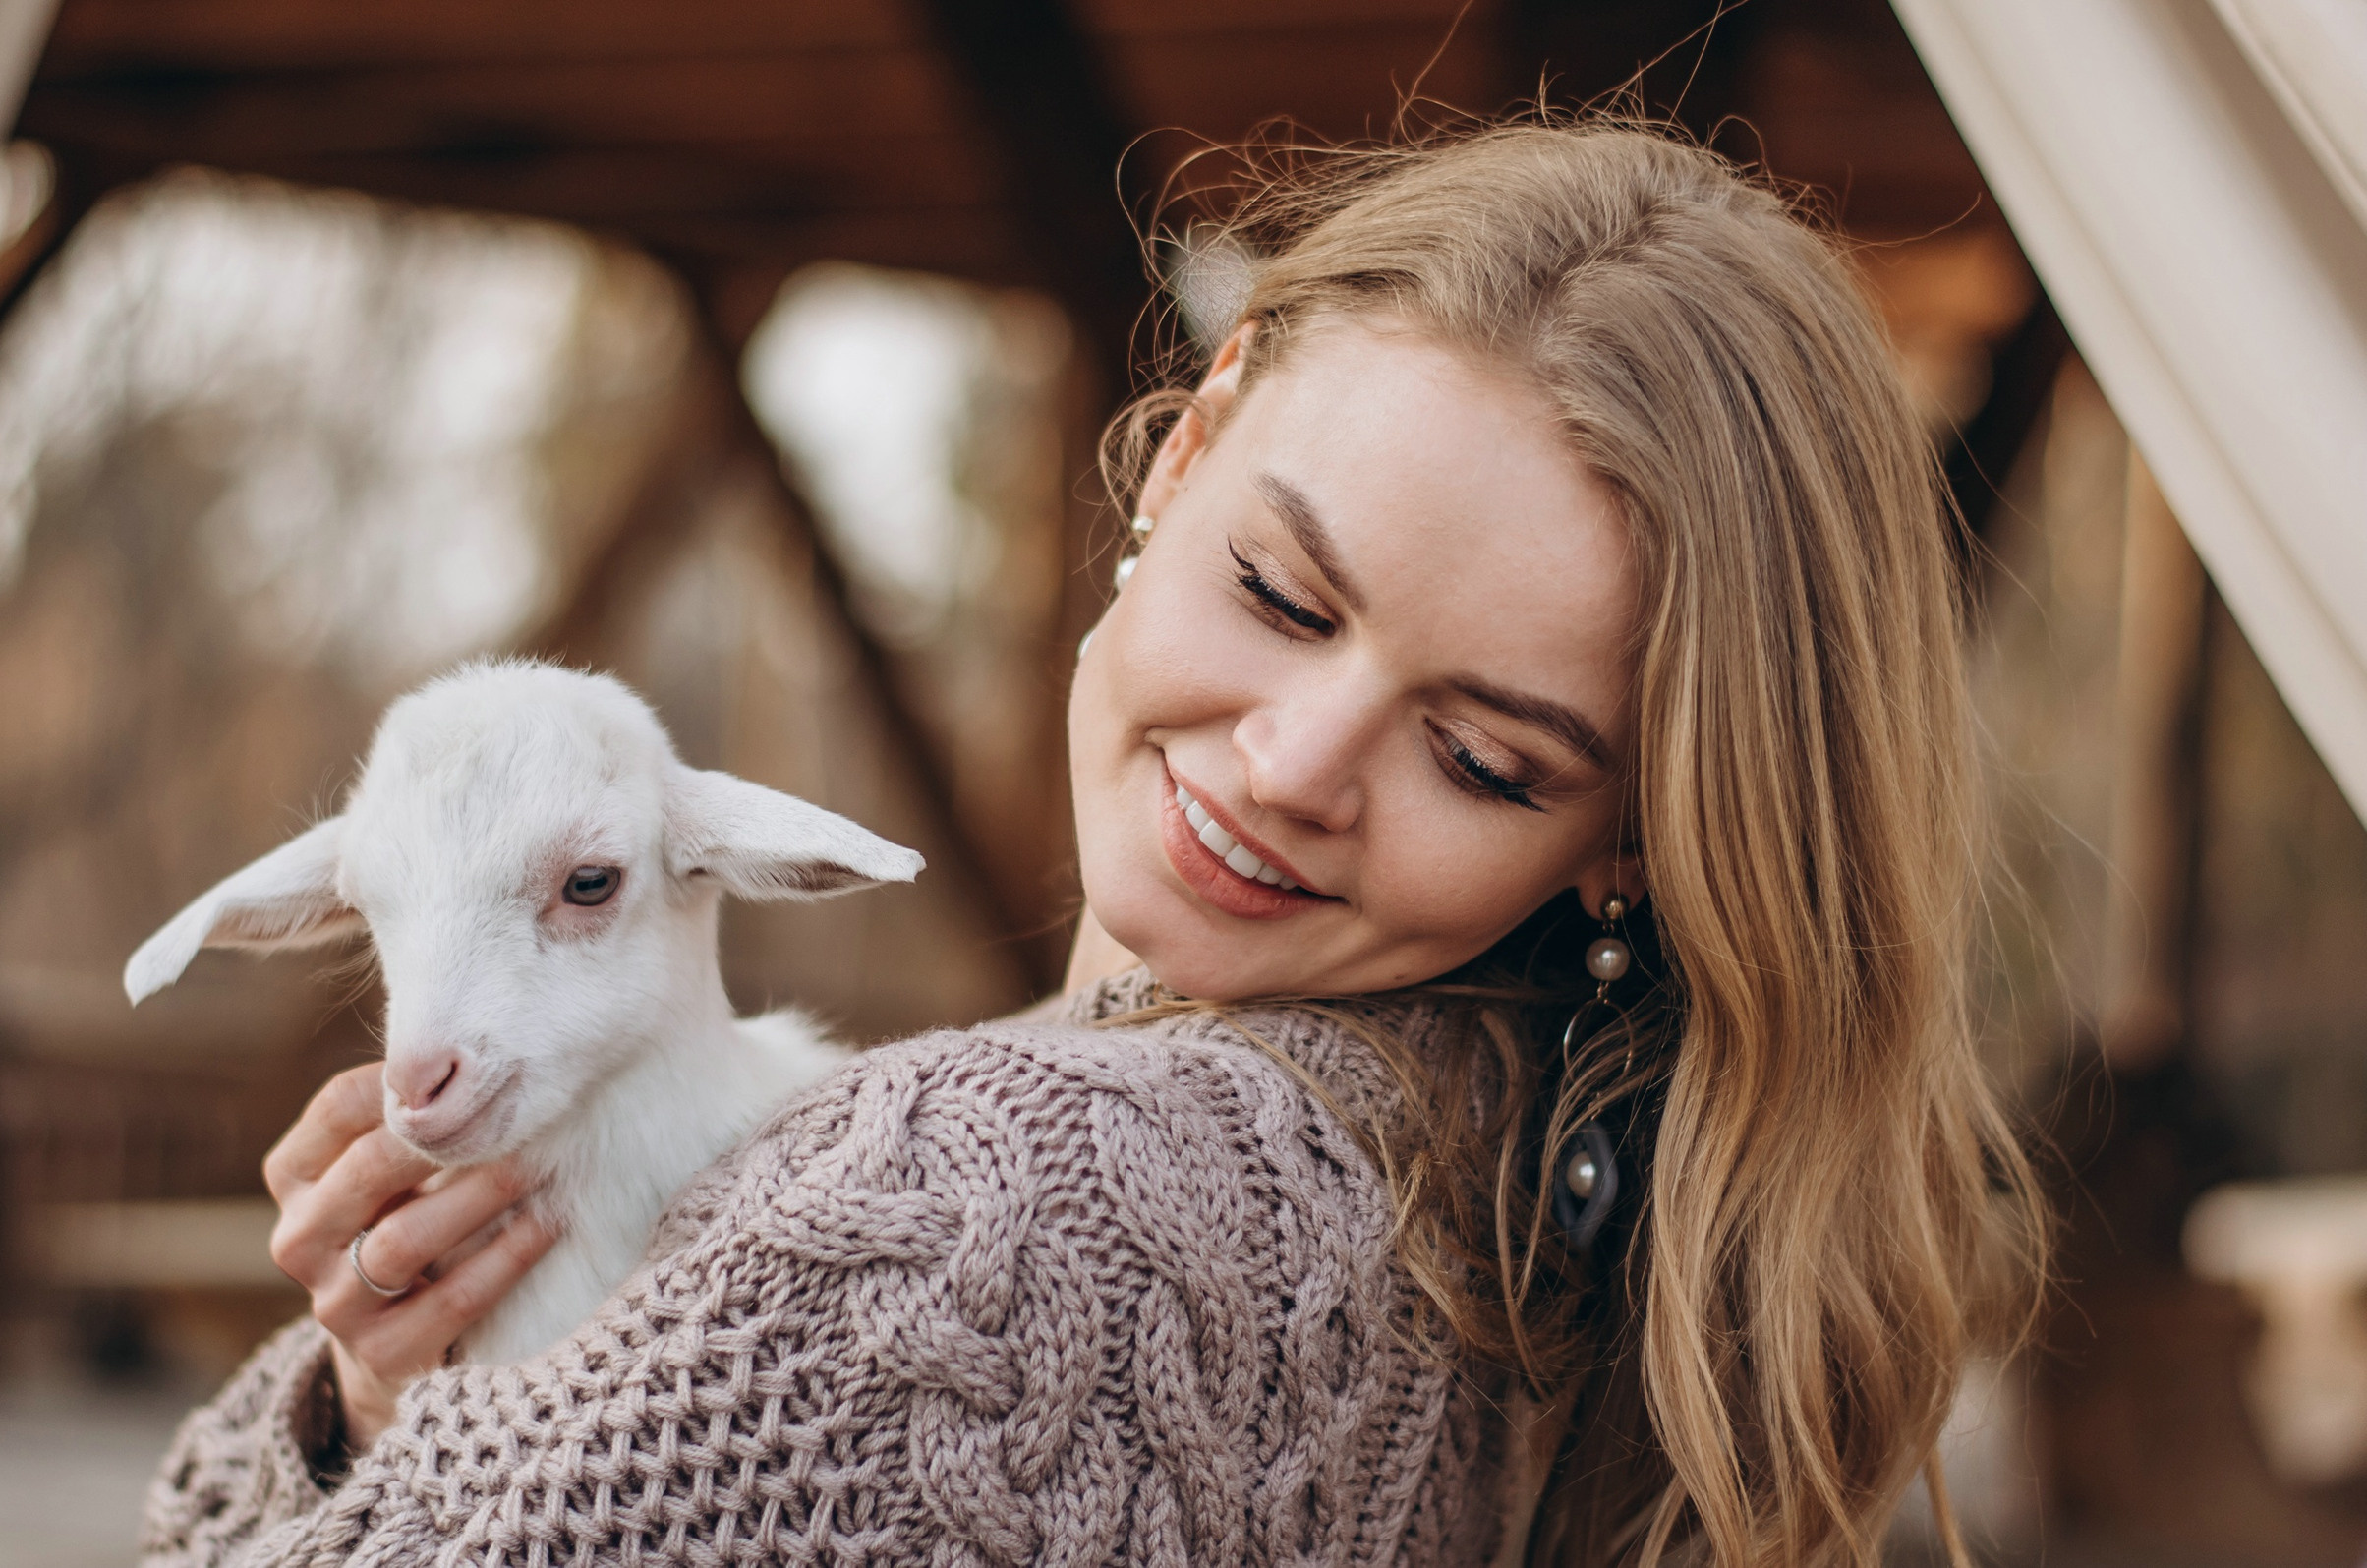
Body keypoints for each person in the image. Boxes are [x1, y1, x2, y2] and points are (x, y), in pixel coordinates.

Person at [142, 121, 2044, 1568]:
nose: (1297, 761)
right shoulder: (1535, 1205)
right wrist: (416, 1375)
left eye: (1479, 756)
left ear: (1637, 839)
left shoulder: (1008, 1206)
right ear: (1190, 442)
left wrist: (367, 1421)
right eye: (1286, 598)